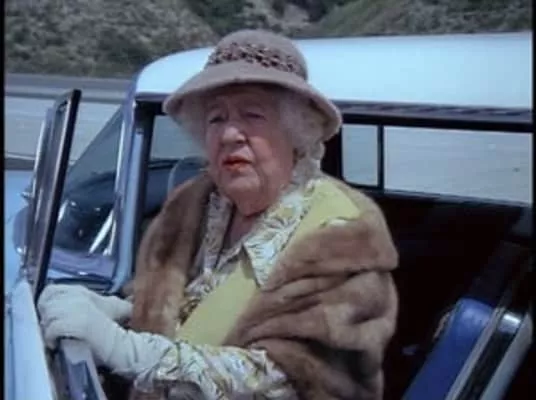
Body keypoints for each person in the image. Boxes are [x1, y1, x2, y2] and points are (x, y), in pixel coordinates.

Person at [38, 29, 399, 400]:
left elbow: (288, 377)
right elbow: (188, 312)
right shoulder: (195, 205)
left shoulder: (341, 235)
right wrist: (122, 312)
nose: (229, 134)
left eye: (252, 115)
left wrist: (128, 351)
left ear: (296, 131)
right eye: (215, 118)